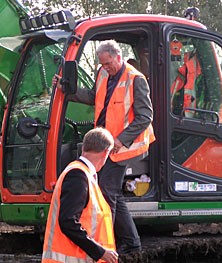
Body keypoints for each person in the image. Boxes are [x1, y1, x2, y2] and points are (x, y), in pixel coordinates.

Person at [54, 40, 155, 254]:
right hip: (106, 143)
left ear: (118, 57)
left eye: (108, 63)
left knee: (107, 191)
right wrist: (66, 89)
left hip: (124, 146)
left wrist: (121, 139)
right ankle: (132, 242)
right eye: (102, 64)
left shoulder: (136, 79)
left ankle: (106, 243)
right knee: (112, 192)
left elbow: (145, 117)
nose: (105, 67)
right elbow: (93, 97)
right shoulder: (102, 73)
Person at [42, 127, 119, 263]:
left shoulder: (82, 174)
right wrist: (100, 252)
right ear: (106, 152)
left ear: (84, 147)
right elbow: (68, 221)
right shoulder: (78, 175)